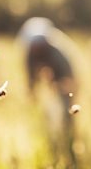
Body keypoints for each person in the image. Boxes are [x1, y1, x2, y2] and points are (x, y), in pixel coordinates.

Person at [17, 17, 78, 166]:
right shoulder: (29, 55)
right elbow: (30, 78)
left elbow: (70, 81)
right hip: (48, 88)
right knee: (46, 118)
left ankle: (69, 145)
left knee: (65, 114)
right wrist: (32, 94)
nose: (37, 49)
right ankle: (52, 145)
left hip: (62, 84)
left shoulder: (59, 54)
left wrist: (57, 87)